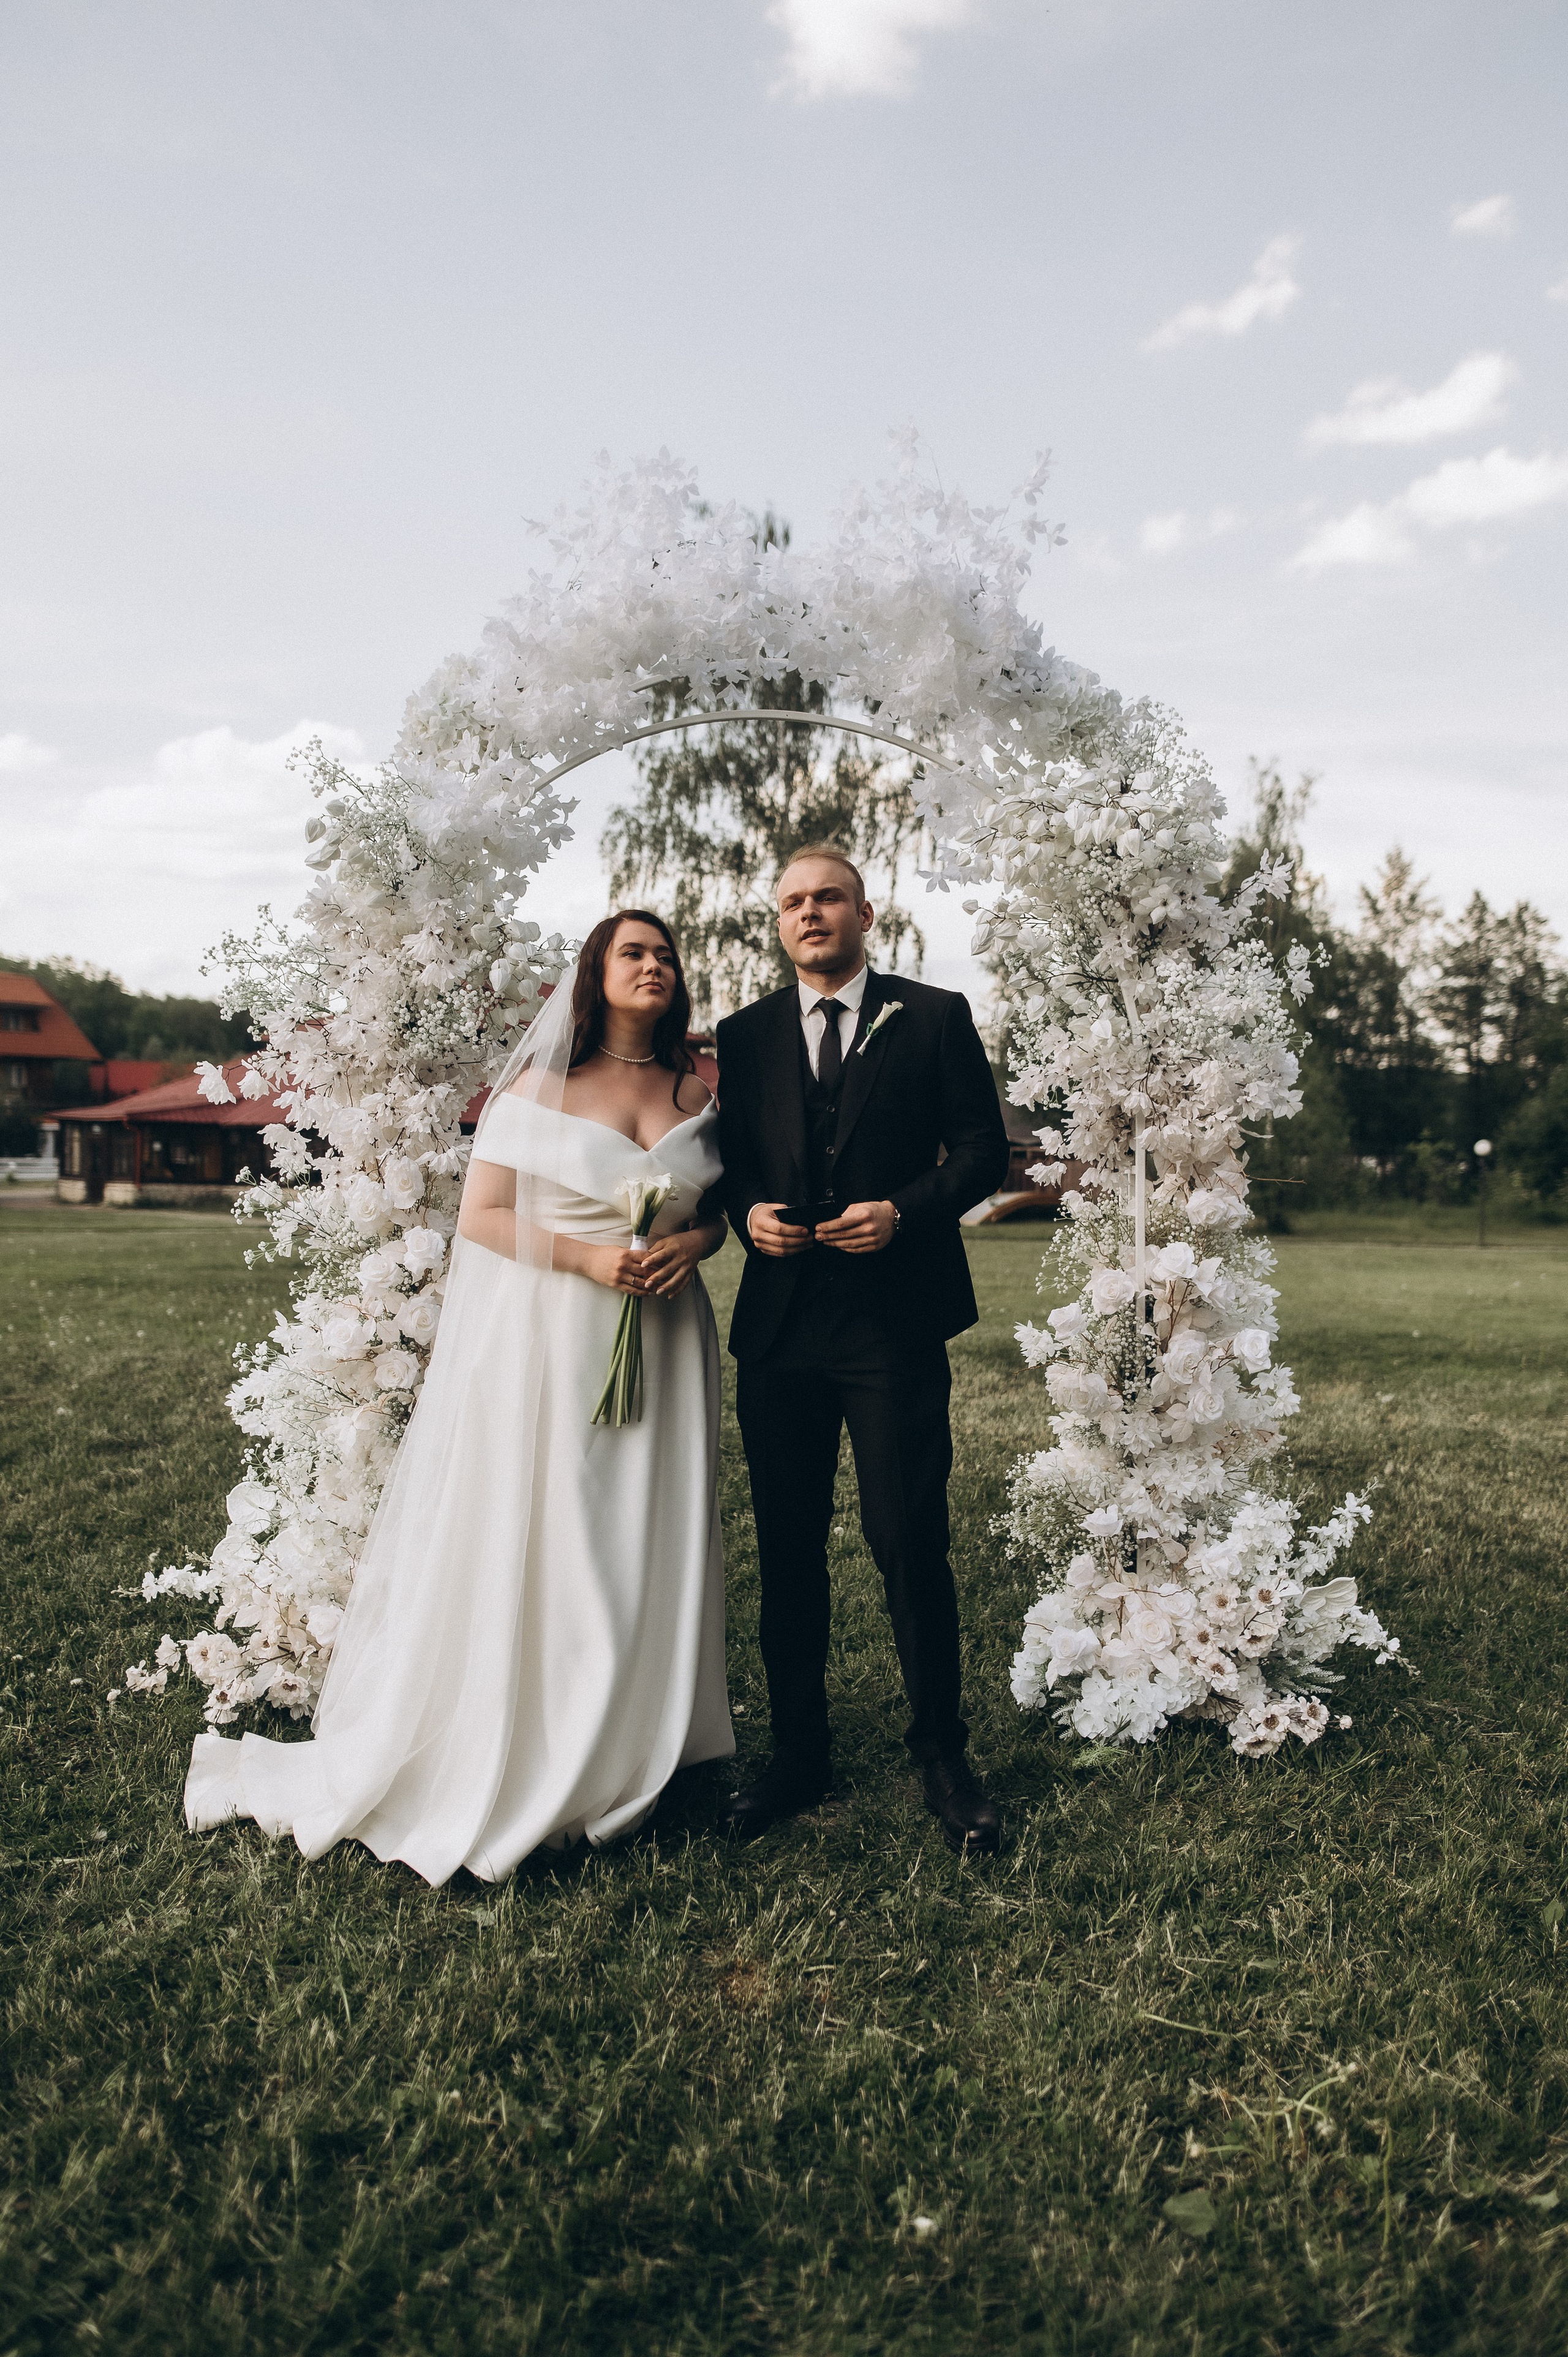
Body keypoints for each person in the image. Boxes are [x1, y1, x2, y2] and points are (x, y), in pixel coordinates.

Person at [183, 912, 734, 1885]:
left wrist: (692, 1244)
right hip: (559, 1334)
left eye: (665, 955)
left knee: (646, 1530)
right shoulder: (540, 1089)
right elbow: (484, 1216)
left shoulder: (697, 1093)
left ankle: (635, 1734)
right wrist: (589, 1259)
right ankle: (545, 1744)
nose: (654, 965)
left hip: (667, 1334)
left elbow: (715, 1214)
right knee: (567, 1527)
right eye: (633, 952)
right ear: (595, 973)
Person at [715, 847, 1010, 1853]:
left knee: (908, 1535)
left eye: (828, 897)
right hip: (782, 1328)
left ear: (865, 913)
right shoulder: (745, 1034)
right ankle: (799, 1754)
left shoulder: (933, 1015)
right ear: (780, 923)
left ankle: (943, 1757)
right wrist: (749, 1211)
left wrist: (904, 1212)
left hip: (895, 1322)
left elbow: (983, 1151)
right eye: (793, 903)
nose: (811, 914)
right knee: (787, 1545)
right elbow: (732, 1163)